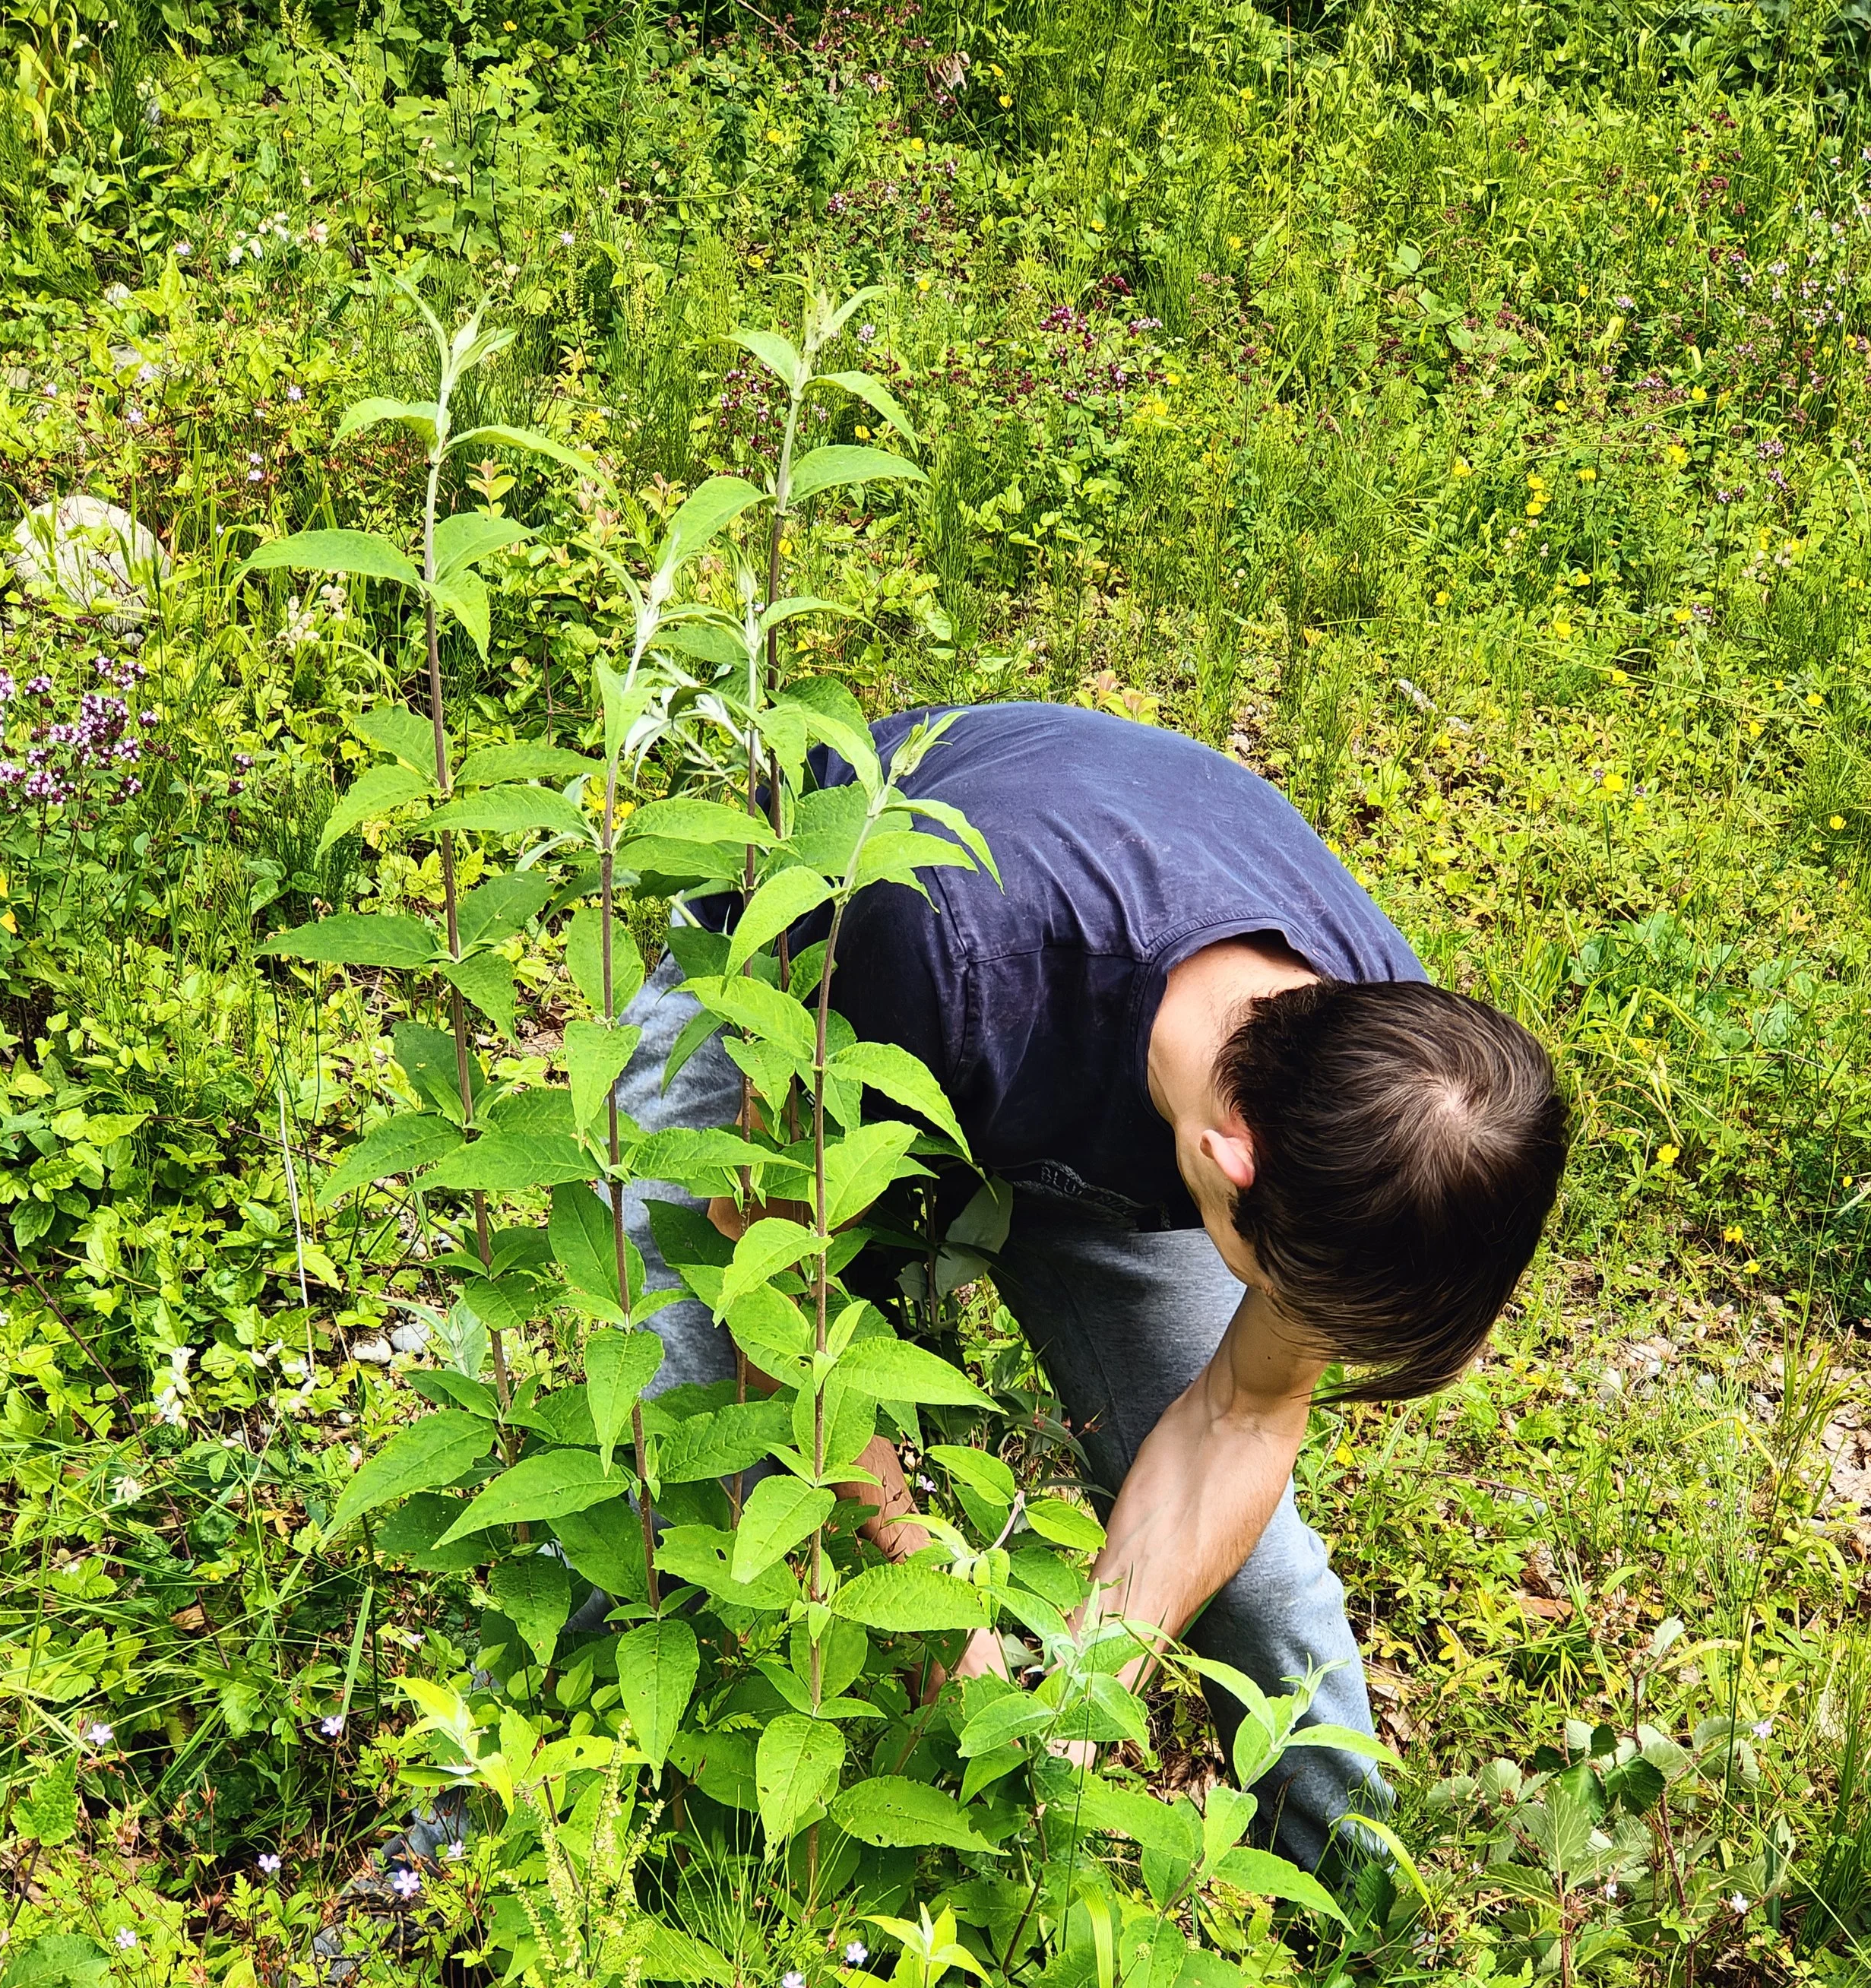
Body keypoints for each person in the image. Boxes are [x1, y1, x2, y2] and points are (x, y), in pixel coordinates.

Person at [614, 702, 1569, 1867]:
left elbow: (1246, 1412)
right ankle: (507, 1830)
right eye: (1292, 1295)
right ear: (1228, 1165)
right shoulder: (934, 946)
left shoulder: (1397, 1110)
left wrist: (1081, 1684)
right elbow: (780, 1323)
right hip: (820, 975)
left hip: (1096, 1080)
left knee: (1254, 1575)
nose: (1296, 1331)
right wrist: (934, 1615)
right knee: (659, 1428)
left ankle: (1358, 1893)